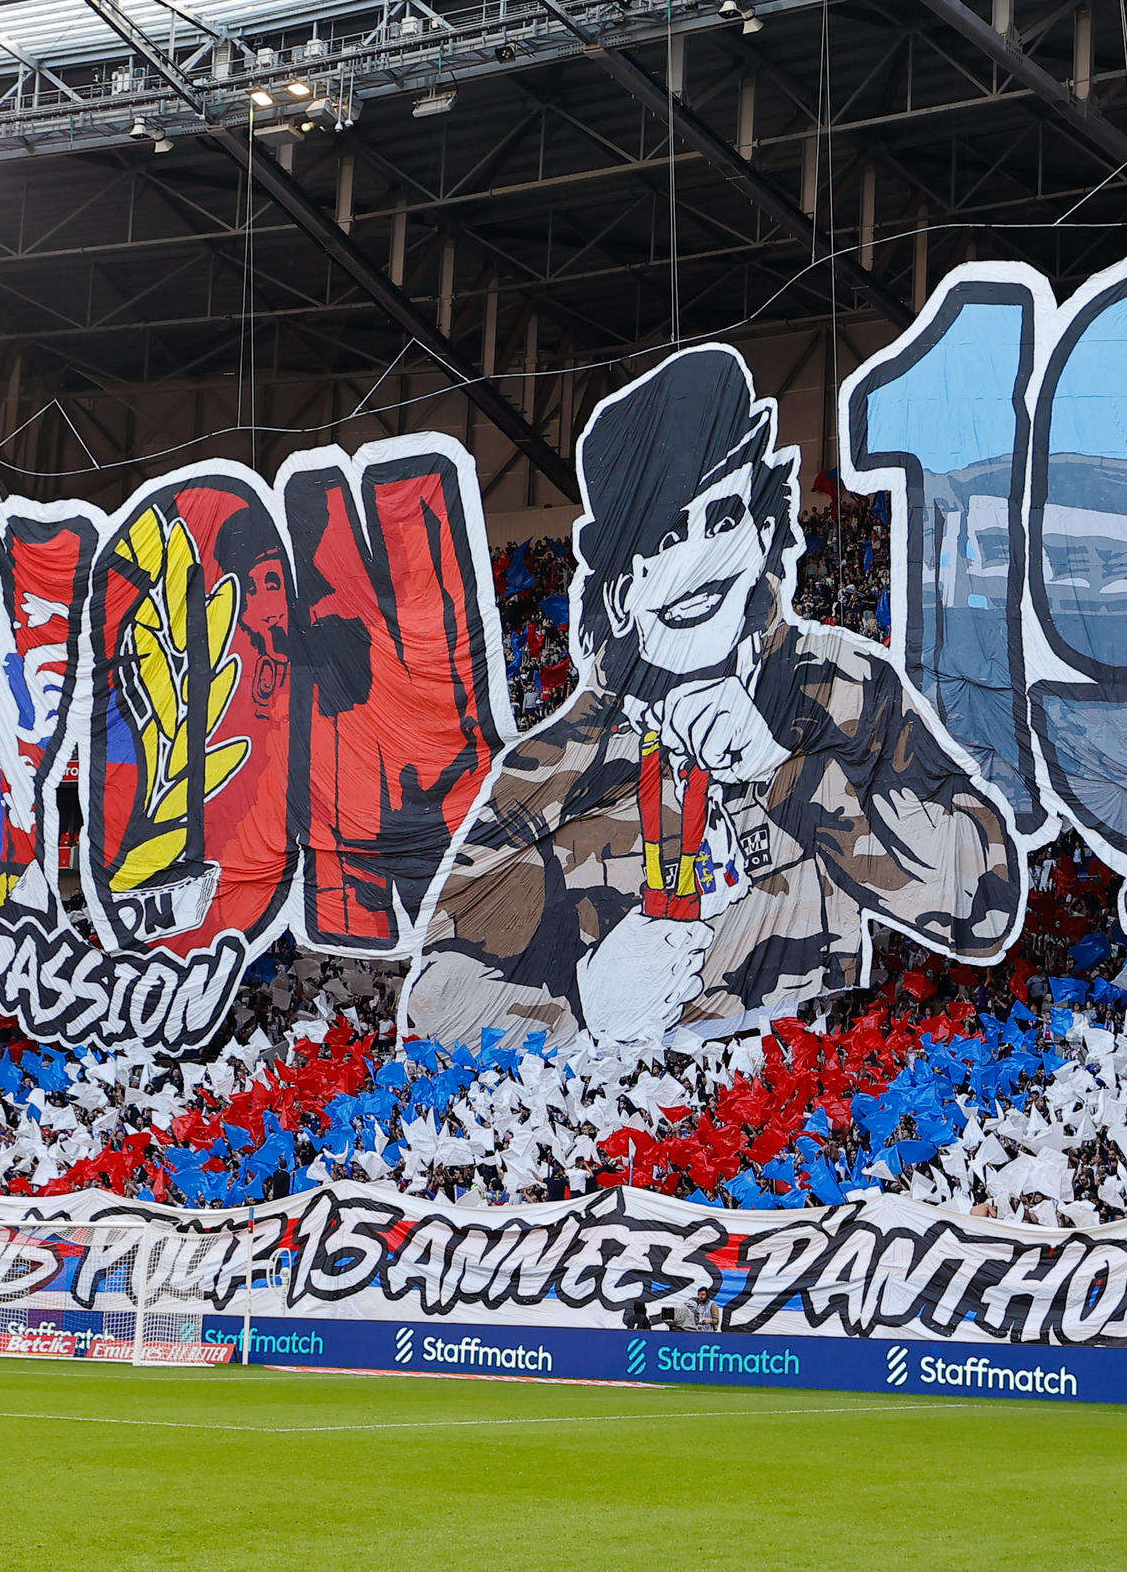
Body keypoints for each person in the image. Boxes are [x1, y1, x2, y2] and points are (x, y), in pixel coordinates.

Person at [404, 346, 1025, 1049]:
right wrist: (581, 1002)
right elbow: (435, 1005)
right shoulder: (552, 766)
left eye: (723, 519)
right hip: (627, 1112)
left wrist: (784, 772)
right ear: (622, 586)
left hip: (803, 1092)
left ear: (763, 534)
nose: (698, 560)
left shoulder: (841, 689)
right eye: (669, 535)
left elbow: (984, 902)